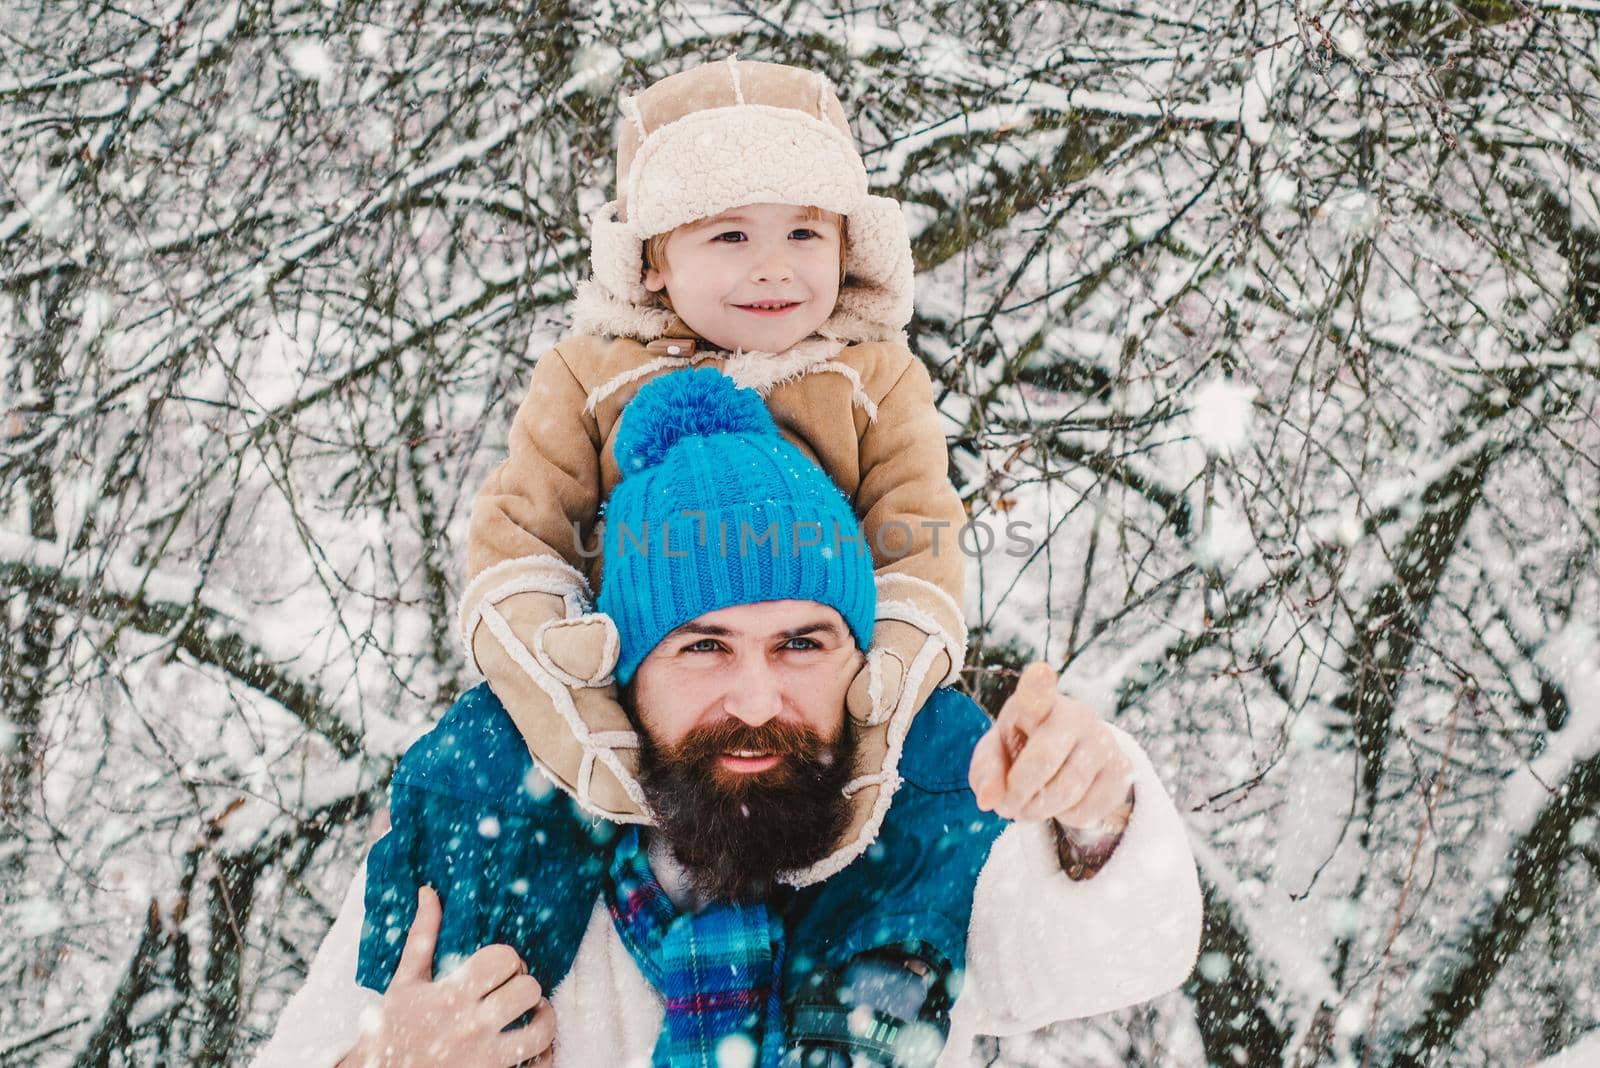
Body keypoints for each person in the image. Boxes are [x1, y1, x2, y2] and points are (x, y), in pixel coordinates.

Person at [251, 371, 1203, 1067]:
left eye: (802, 645)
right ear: (621, 668)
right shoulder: (493, 846)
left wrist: (1096, 806)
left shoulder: (913, 834)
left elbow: (1127, 950)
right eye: (703, 648)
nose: (757, 701)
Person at [461, 57, 971, 876]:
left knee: (947, 754)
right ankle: (491, 963)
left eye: (805, 232)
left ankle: (884, 958)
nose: (774, 266)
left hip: (811, 712)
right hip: (658, 693)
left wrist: (896, 663)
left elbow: (921, 533)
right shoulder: (591, 374)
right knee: (479, 752)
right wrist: (559, 659)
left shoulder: (873, 377)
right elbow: (519, 530)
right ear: (653, 261)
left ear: (846, 245)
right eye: (730, 234)